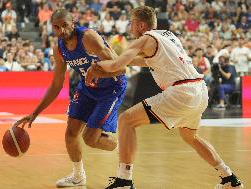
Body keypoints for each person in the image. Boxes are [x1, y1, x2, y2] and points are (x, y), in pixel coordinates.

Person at [86, 6, 243, 189]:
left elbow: (117, 65)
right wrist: (113, 62)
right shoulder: (168, 35)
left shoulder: (144, 39)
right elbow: (139, 62)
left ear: (141, 25)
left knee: (126, 120)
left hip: (181, 91)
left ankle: (124, 180)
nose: (130, 28)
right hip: (200, 90)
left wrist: (96, 65)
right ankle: (229, 178)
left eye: (132, 24)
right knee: (190, 136)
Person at [13, 8, 127, 187]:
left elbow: (121, 68)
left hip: (111, 88)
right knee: (71, 134)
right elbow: (57, 84)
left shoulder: (88, 38)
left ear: (73, 23)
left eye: (65, 25)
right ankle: (78, 176)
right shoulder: (59, 48)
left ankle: (118, 143)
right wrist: (35, 113)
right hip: (87, 88)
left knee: (89, 138)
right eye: (56, 27)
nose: (61, 31)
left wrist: (96, 73)